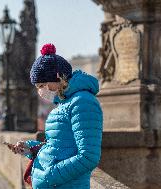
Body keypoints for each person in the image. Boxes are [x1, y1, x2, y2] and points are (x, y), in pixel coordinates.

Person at [9, 44, 103, 189]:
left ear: (57, 76)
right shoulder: (64, 103)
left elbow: (88, 157)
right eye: (38, 87)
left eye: (42, 85)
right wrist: (30, 148)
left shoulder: (83, 102)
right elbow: (58, 146)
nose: (41, 91)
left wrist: (49, 176)